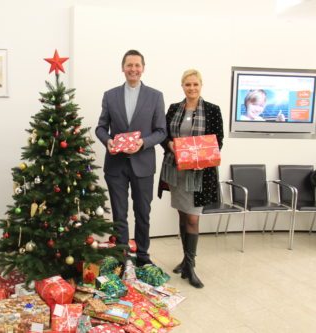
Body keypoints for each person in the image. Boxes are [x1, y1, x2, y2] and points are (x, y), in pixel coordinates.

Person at [96, 49, 166, 267]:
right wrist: (107, 141)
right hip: (116, 165)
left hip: (143, 165)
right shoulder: (110, 95)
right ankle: (122, 257)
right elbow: (100, 128)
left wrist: (142, 143)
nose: (133, 69)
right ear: (123, 68)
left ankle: (143, 257)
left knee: (143, 212)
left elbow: (161, 131)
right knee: (119, 213)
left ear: (143, 68)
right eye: (129, 65)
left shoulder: (155, 96)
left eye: (137, 65)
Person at [158, 69, 224, 288]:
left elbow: (218, 140)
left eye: (195, 84)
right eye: (188, 84)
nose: (192, 88)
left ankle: (190, 266)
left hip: (199, 173)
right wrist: (170, 145)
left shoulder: (213, 110)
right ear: (182, 86)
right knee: (181, 214)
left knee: (193, 218)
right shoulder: (174, 109)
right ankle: (185, 260)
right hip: (176, 170)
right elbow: (163, 134)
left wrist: (199, 154)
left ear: (201, 85)